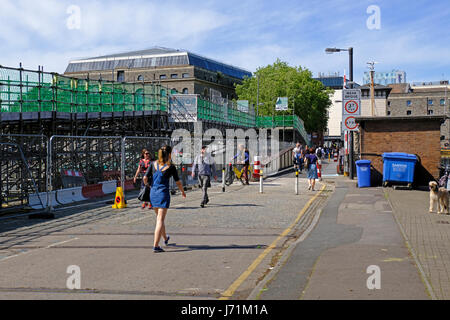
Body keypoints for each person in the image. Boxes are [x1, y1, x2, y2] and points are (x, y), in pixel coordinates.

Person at [143, 145, 186, 253]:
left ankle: (165, 239)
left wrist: (148, 186)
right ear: (169, 154)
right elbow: (178, 182)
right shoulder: (171, 167)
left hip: (153, 193)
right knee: (160, 220)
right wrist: (182, 191)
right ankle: (156, 246)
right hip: (163, 194)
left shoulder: (153, 164)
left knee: (159, 218)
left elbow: (145, 178)